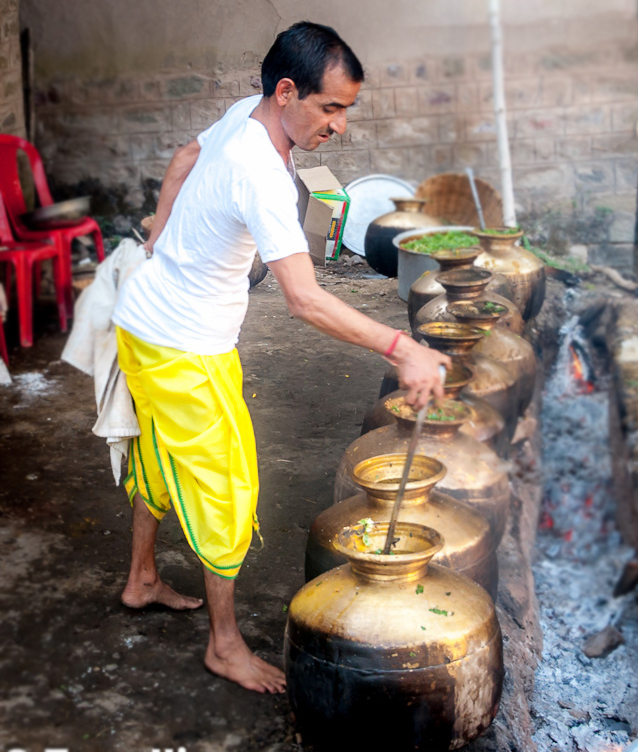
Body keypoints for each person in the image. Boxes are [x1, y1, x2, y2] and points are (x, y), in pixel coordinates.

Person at [111, 21, 450, 695]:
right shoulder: (261, 174)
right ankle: (224, 645)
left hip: (147, 323)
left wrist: (160, 233)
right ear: (288, 91)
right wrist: (402, 344)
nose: (340, 126)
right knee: (227, 491)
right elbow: (305, 299)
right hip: (183, 346)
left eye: (346, 109)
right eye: (331, 108)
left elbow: (182, 156)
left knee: (157, 454)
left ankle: (142, 578)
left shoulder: (246, 113)